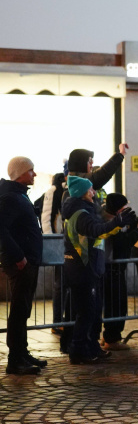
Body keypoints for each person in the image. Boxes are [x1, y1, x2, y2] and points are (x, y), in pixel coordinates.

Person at [62, 176, 138, 364]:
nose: (94, 192)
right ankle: (79, 351)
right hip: (83, 268)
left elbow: (102, 232)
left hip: (90, 268)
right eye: (90, 189)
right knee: (87, 313)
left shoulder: (85, 211)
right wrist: (118, 222)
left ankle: (91, 347)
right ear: (82, 193)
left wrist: (118, 224)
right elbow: (96, 231)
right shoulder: (80, 214)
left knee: (94, 311)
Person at [0, 157, 47, 374]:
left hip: (27, 261)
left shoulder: (19, 195)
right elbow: (2, 230)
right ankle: (15, 359)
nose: (34, 174)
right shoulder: (11, 197)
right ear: (20, 173)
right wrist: (19, 256)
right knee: (19, 311)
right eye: (31, 170)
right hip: (21, 263)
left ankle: (22, 353)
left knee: (23, 310)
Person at [101, 193, 138, 351]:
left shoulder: (112, 217)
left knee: (114, 304)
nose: (127, 209)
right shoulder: (110, 221)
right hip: (111, 268)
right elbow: (122, 242)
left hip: (113, 268)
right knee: (116, 305)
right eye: (124, 206)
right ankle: (111, 339)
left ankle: (108, 337)